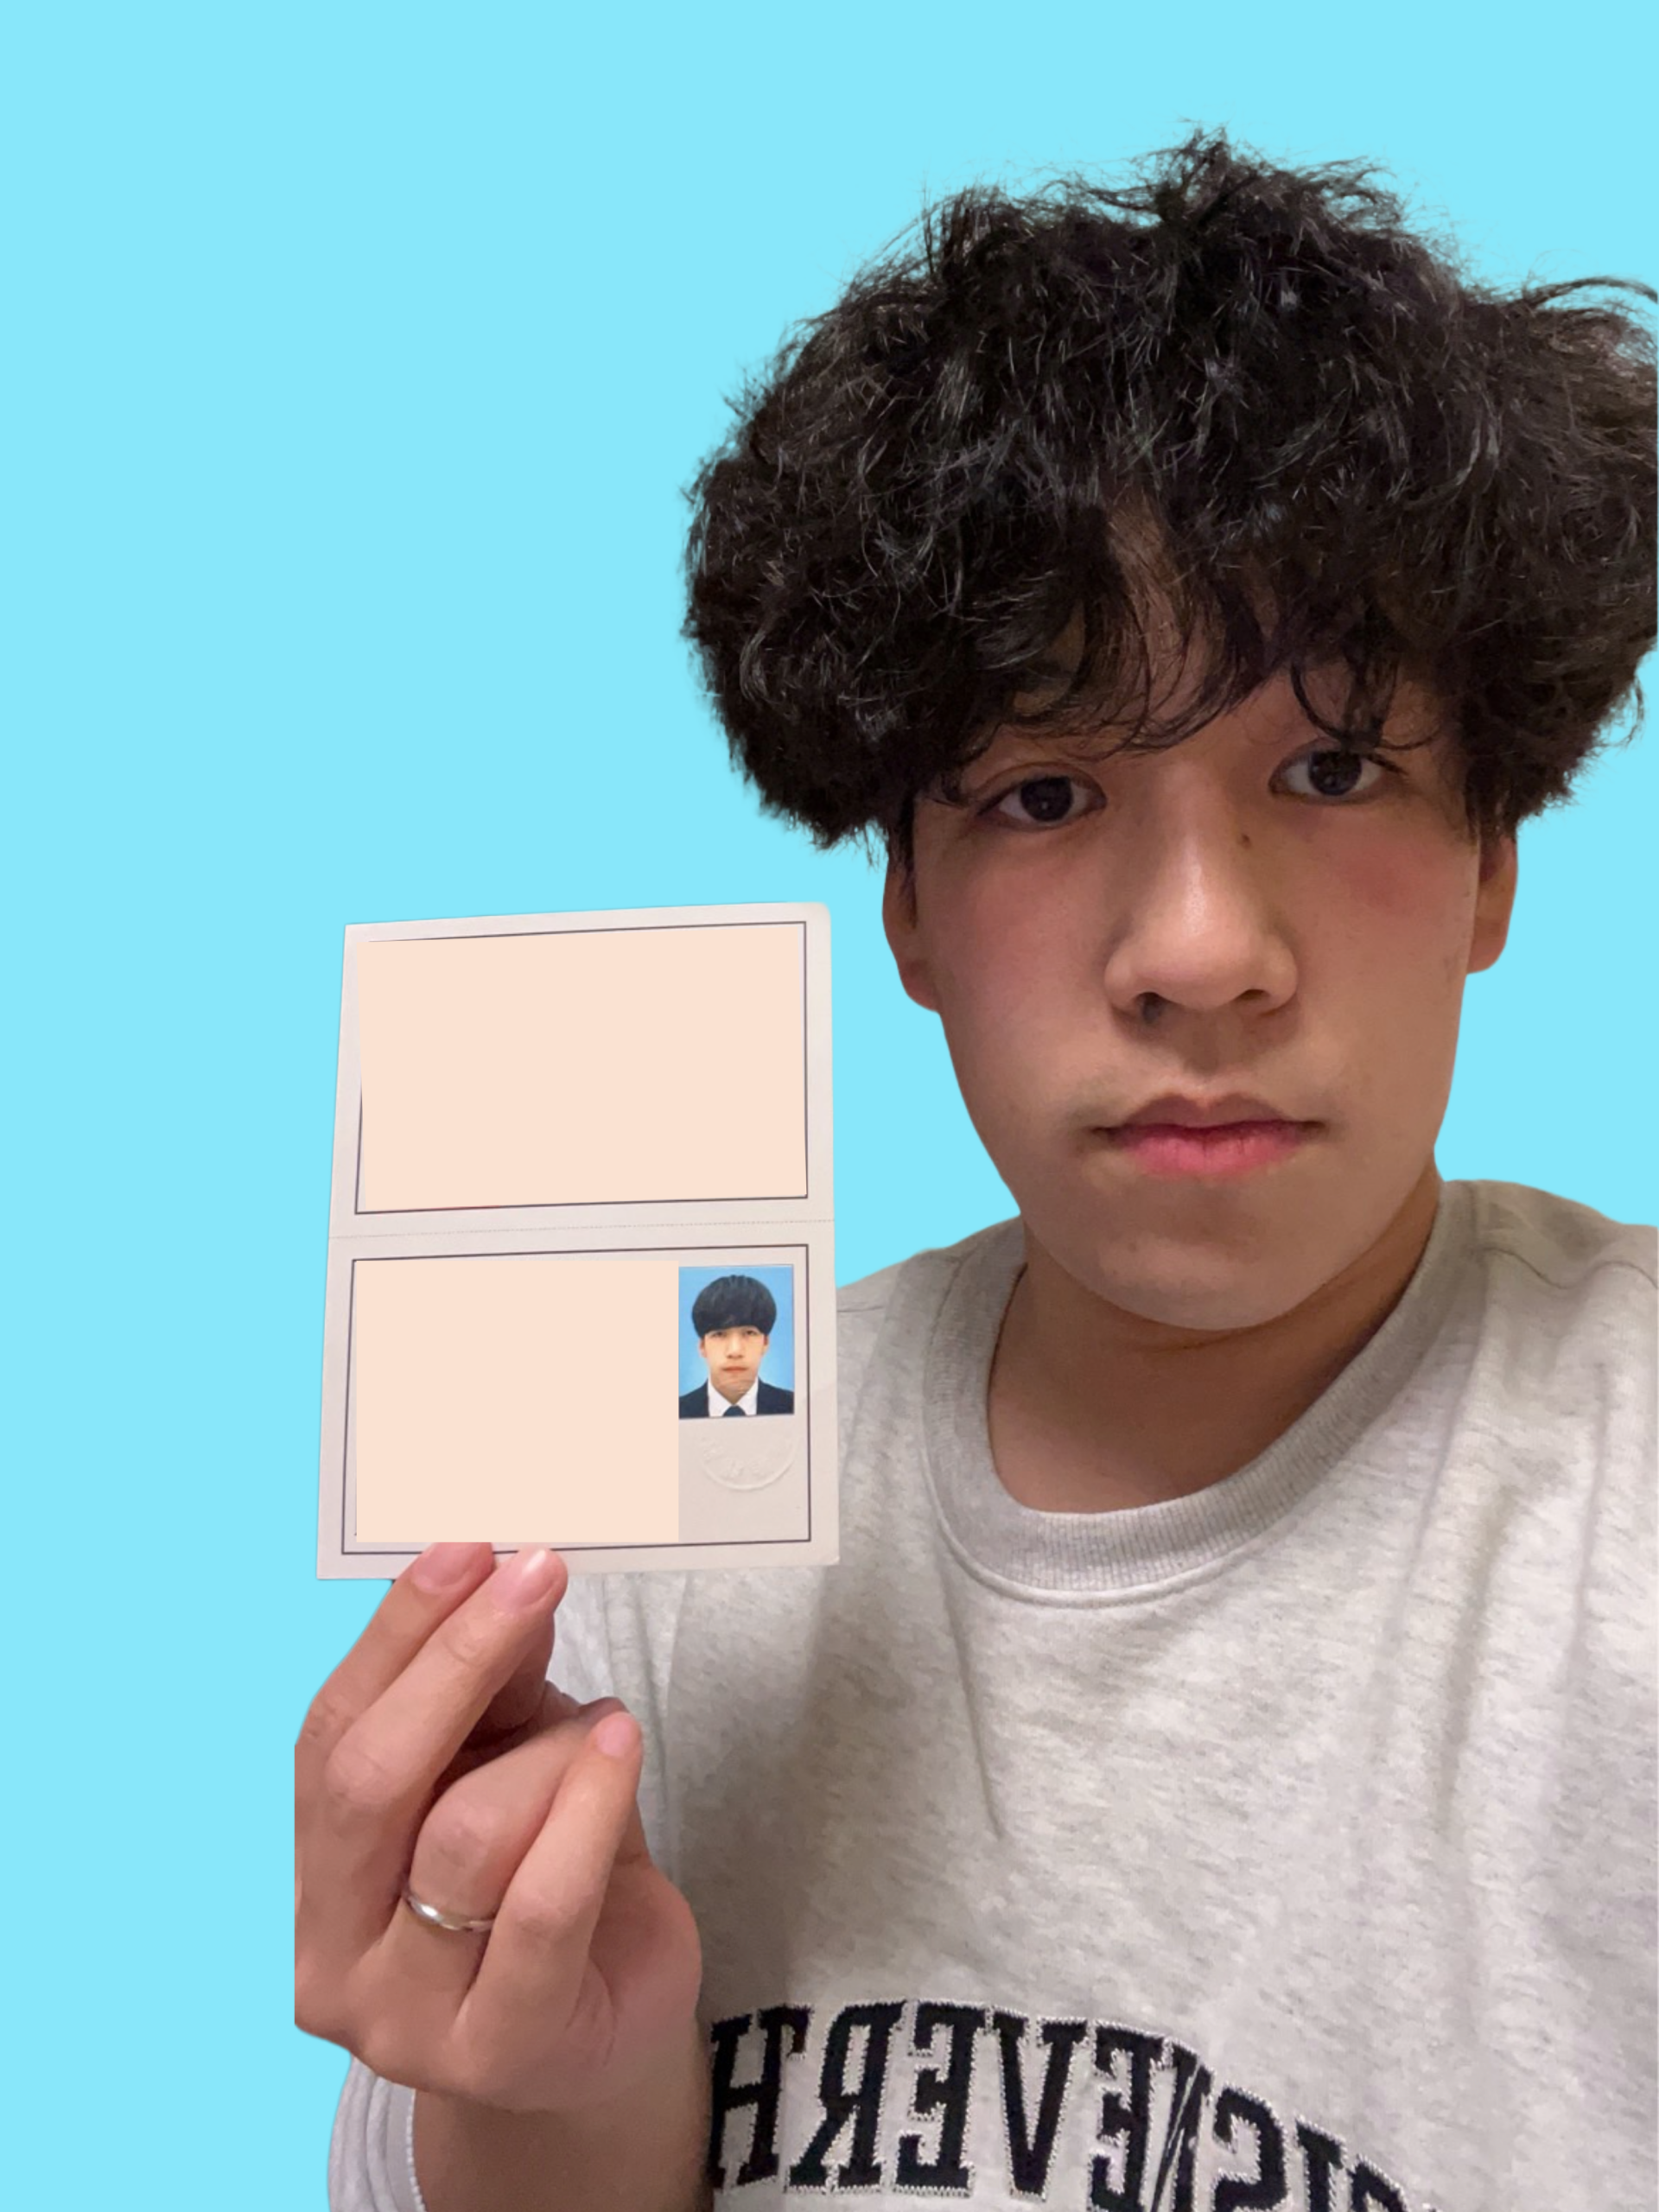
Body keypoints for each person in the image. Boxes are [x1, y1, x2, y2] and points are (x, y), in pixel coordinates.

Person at [299, 130, 1657, 2212]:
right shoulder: (665, 1518)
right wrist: (561, 2091)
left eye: (1330, 764)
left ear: (1493, 856)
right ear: (908, 910)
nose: (1198, 948)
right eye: (1040, 789)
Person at [678, 1275, 796, 1417]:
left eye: (749, 1333)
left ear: (765, 1343)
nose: (735, 1351)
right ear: (702, 1346)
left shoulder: (795, 1407)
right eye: (719, 1334)